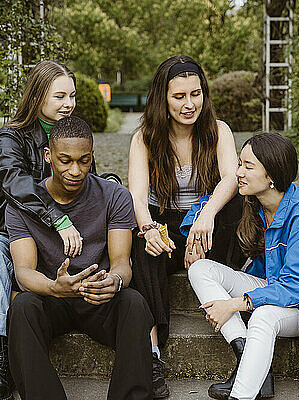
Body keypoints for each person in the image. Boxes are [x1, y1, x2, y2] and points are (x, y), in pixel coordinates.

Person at [187, 132, 299, 400]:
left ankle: (240, 396)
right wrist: (194, 234)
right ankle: (244, 355)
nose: (238, 172)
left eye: (248, 166)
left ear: (272, 174)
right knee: (201, 269)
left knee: (262, 317)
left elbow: (298, 289)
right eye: (240, 163)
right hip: (276, 288)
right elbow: (204, 205)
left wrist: (235, 303)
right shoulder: (256, 200)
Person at [0, 60, 92, 400]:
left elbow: (90, 183)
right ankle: (0, 359)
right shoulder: (11, 136)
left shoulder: (75, 131)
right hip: (21, 230)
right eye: (60, 96)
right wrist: (58, 218)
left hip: (63, 239)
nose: (69, 104)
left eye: (72, 96)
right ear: (38, 96)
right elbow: (14, 182)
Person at [6, 116, 153, 400]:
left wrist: (115, 281)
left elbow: (122, 262)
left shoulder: (114, 196)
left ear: (91, 156)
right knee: (22, 307)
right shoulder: (24, 203)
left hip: (98, 299)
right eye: (65, 160)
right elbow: (24, 271)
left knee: (134, 302)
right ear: (48, 156)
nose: (75, 170)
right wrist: (53, 287)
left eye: (83, 161)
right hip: (52, 297)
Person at [128, 55, 246, 398]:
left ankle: (233, 302)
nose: (189, 104)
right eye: (179, 96)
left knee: (236, 203)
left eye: (196, 94)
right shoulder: (145, 138)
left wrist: (206, 214)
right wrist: (149, 229)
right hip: (163, 223)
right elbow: (135, 194)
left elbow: (229, 178)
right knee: (141, 242)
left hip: (207, 226)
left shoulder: (218, 130)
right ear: (162, 98)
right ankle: (152, 355)